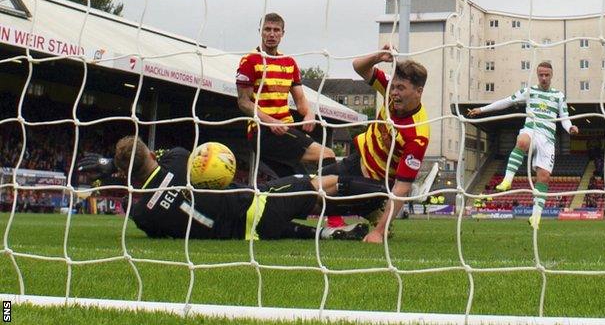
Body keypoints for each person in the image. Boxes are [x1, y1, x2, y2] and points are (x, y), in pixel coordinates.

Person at [77, 136, 387, 241]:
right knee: (320, 184)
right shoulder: (179, 160)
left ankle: (333, 233)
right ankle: (385, 194)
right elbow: (161, 160)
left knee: (297, 232)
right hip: (258, 204)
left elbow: (146, 204)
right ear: (148, 153)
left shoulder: (142, 214)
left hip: (245, 234)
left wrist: (115, 173)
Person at [322, 44, 430, 243]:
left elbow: (401, 187)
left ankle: (374, 211)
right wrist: (378, 56)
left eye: (401, 88)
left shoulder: (418, 134)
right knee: (311, 188)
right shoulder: (390, 90)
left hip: (375, 185)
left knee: (318, 196)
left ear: (419, 91)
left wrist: (378, 233)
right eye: (394, 86)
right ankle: (369, 213)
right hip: (356, 161)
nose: (394, 92)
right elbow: (358, 66)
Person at [468, 62, 579, 229]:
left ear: (552, 75)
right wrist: (482, 110)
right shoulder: (529, 92)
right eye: (541, 75)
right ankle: (507, 180)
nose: (543, 78)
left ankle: (535, 217)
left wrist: (570, 127)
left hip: (547, 140)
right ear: (537, 74)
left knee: (544, 178)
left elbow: (564, 117)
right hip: (531, 130)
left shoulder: (559, 96)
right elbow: (506, 101)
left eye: (546, 75)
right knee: (522, 141)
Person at [235, 12, 336, 178]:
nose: (272, 34)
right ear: (260, 32)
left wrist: (309, 114)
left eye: (276, 30)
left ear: (283, 33)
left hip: (286, 129)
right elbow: (244, 102)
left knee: (299, 188)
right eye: (267, 29)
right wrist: (271, 122)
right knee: (327, 154)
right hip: (263, 132)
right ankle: (331, 199)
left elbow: (300, 99)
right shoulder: (250, 61)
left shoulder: (289, 63)